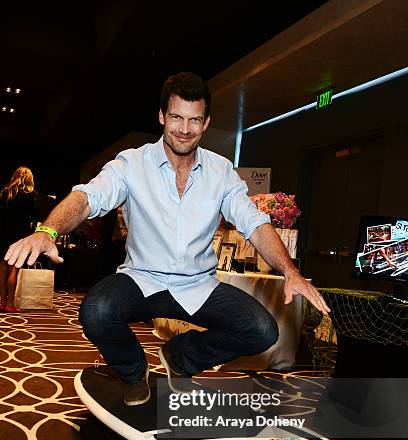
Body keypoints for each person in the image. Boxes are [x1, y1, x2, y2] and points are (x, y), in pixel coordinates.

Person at [5, 72, 329, 405]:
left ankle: (180, 357)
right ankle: (134, 372)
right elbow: (88, 197)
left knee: (263, 330)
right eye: (176, 117)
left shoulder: (221, 172)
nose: (184, 129)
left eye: (194, 120)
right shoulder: (131, 164)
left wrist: (289, 270)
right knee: (96, 311)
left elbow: (255, 224)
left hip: (198, 286)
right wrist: (48, 230)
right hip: (141, 279)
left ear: (206, 124)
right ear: (162, 116)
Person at [0, 166, 36, 312]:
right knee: (14, 269)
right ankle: (10, 304)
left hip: (3, 233)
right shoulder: (29, 196)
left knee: (2, 269)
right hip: (19, 235)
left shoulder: (5, 192)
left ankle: (1, 303)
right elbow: (32, 218)